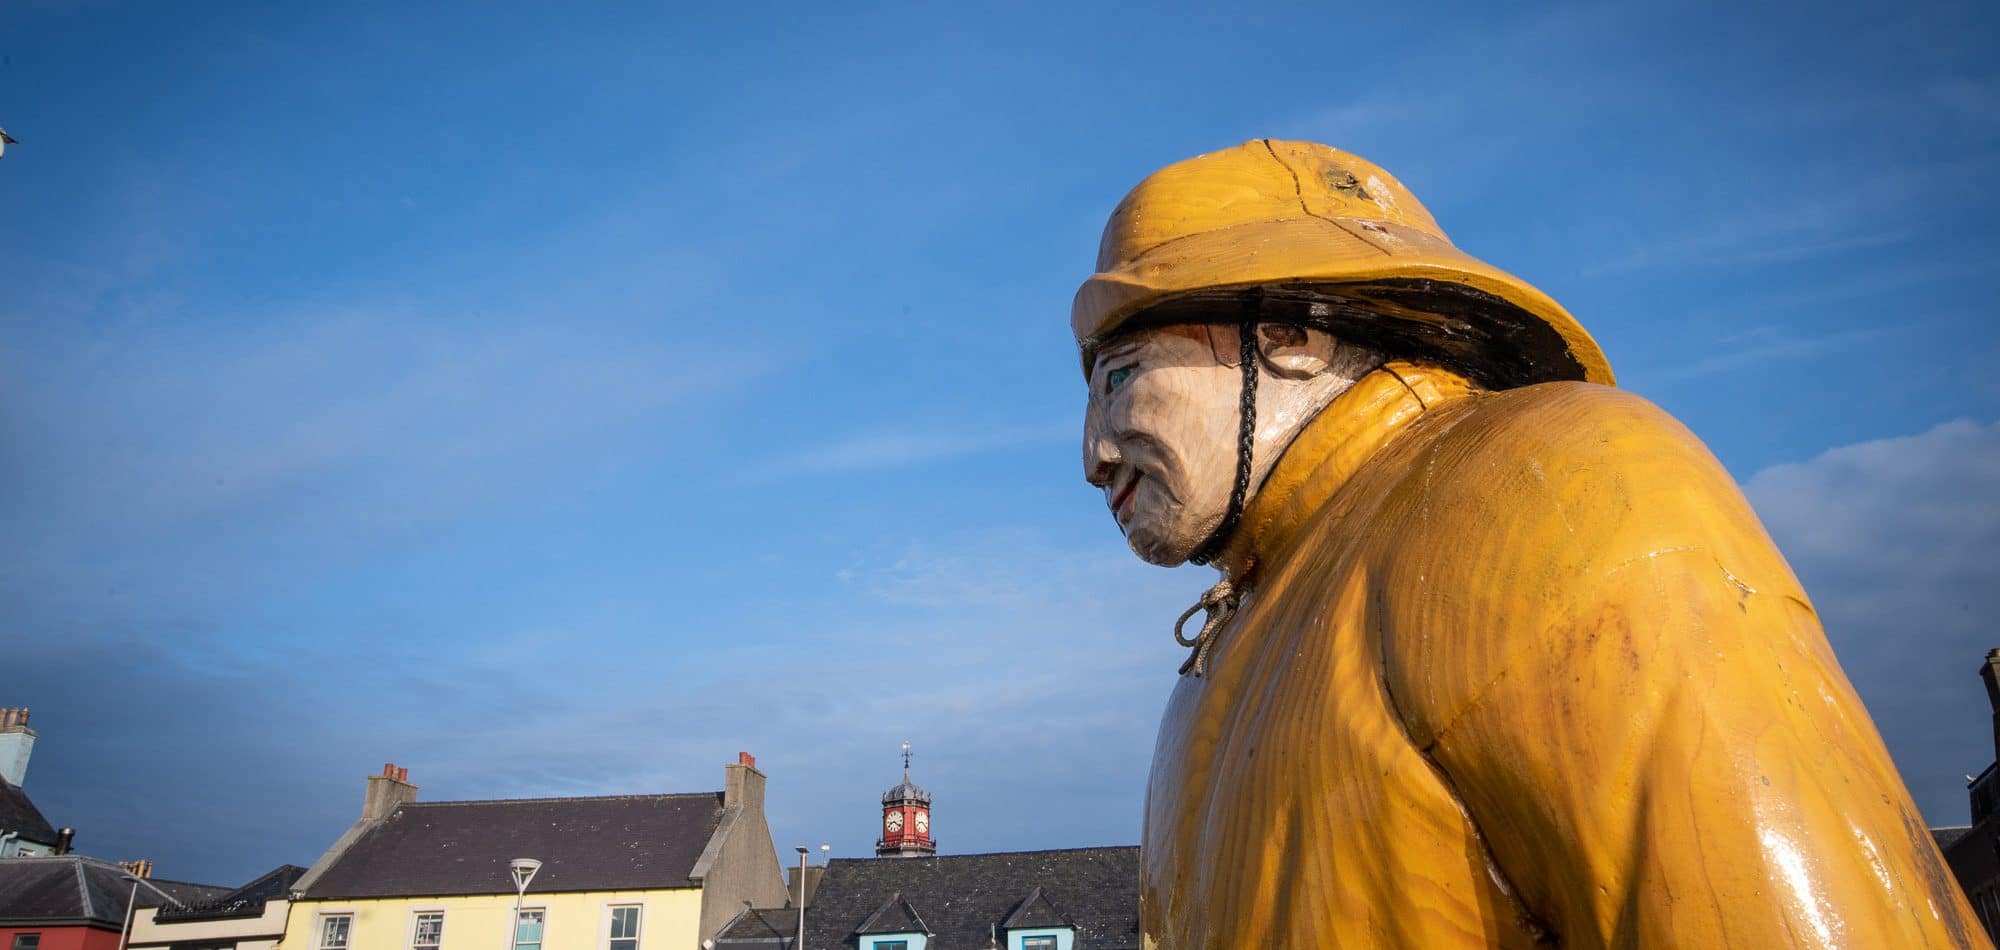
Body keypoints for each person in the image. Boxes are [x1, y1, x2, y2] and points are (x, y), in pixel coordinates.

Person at [1076, 139, 1984, 948]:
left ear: (1292, 336)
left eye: (1120, 377)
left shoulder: (1556, 482)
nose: (1093, 454)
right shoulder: (1208, 674)